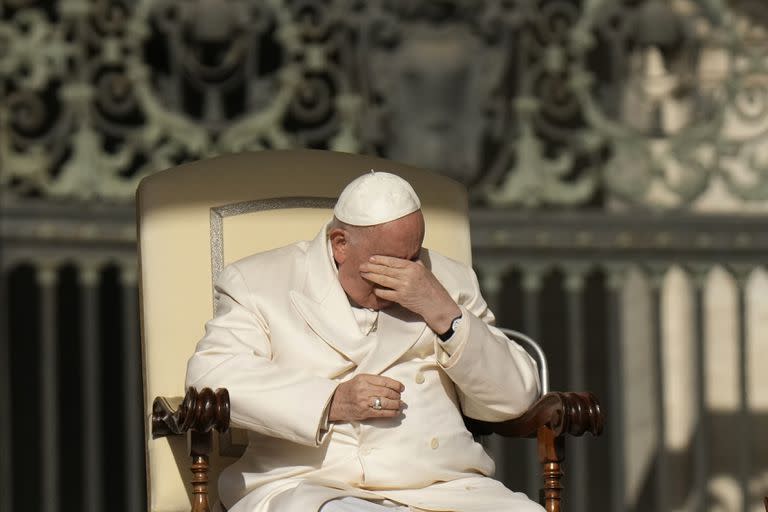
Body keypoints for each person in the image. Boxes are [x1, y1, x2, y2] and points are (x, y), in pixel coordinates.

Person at [186, 171, 543, 512]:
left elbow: (514, 399)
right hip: (315, 488)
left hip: (444, 489)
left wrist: (443, 312)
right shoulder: (260, 281)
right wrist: (332, 401)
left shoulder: (448, 280)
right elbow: (212, 375)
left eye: (413, 258)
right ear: (340, 244)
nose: (404, 277)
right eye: (387, 264)